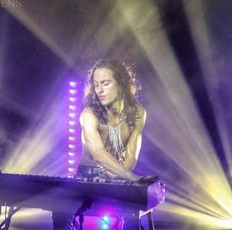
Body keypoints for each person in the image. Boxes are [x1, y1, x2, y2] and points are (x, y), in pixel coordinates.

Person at [52, 59, 157, 230]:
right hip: (86, 178)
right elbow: (98, 153)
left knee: (133, 212)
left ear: (122, 83)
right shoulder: (89, 113)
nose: (99, 90)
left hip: (119, 176)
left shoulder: (138, 112)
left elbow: (131, 155)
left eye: (105, 83)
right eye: (96, 84)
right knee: (60, 209)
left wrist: (120, 178)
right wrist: (132, 178)